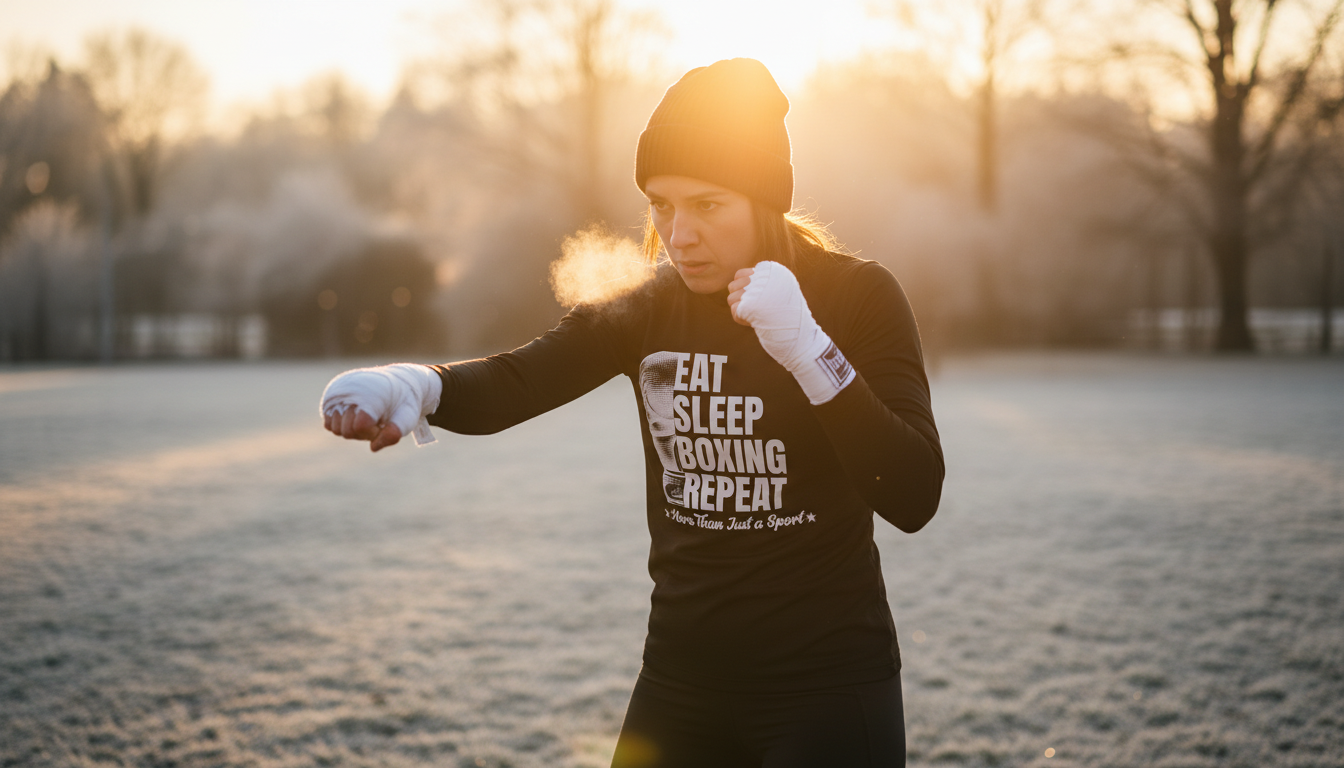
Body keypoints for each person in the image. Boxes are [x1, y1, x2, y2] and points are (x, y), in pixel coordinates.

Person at [321, 58, 943, 768]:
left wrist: (808, 349)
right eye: (660, 204)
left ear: (765, 199)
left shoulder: (857, 297)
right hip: (682, 684)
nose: (678, 235)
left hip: (829, 687)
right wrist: (416, 385)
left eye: (709, 204)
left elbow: (914, 491)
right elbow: (520, 379)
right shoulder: (648, 305)